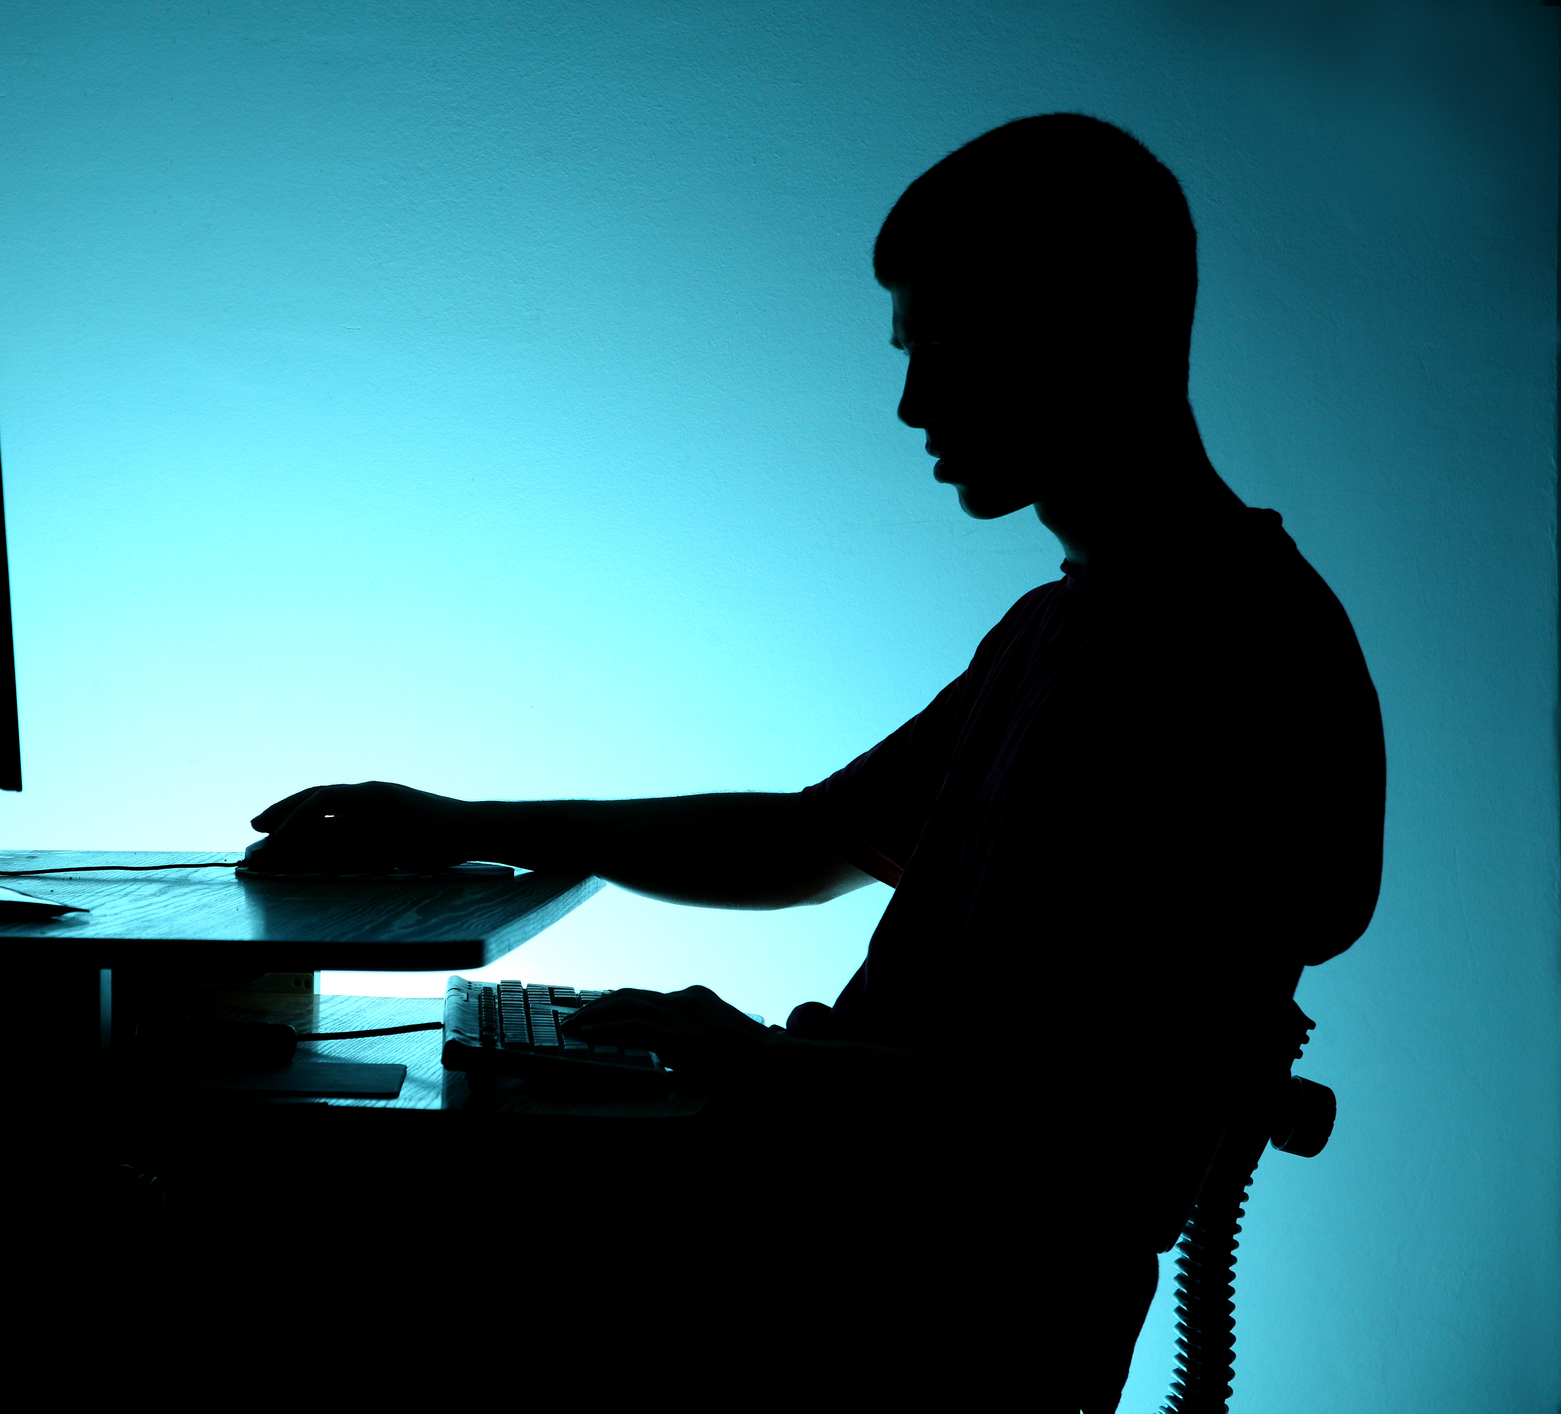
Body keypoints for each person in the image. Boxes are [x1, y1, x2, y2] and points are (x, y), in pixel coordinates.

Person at [245, 114, 1385, 1409]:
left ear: (1088, 326)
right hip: (835, 1219)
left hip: (913, 1301)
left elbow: (1088, 1115)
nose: (909, 404)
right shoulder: (1061, 623)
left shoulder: (1247, 650)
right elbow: (809, 836)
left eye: (944, 348)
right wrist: (469, 817)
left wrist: (750, 1062)